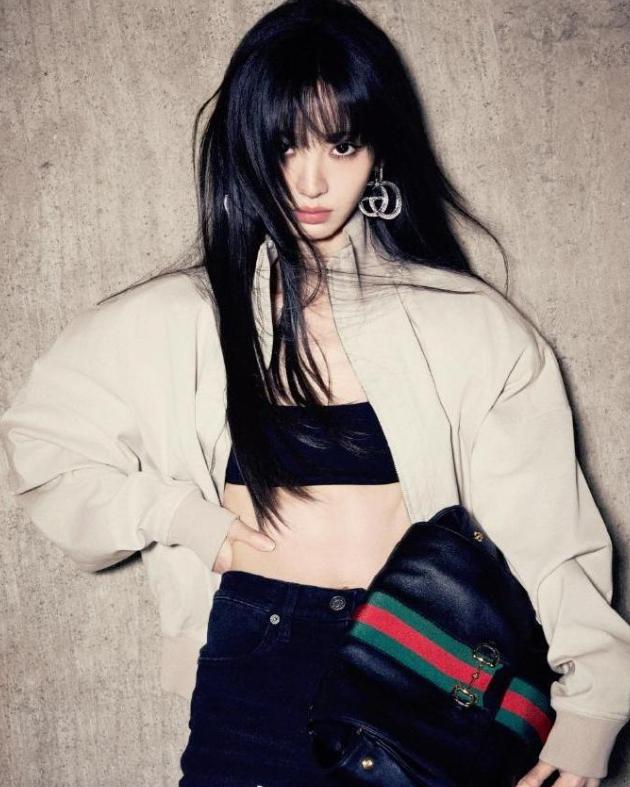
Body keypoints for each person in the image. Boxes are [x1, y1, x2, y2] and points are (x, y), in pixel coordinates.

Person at [1, 0, 629, 785]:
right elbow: (42, 447)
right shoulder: (179, 318)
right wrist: (182, 519)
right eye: (284, 144)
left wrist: (591, 710)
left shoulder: (470, 326)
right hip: (252, 666)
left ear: (380, 148)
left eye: (342, 143)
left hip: (418, 675)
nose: (310, 178)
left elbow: (548, 532)